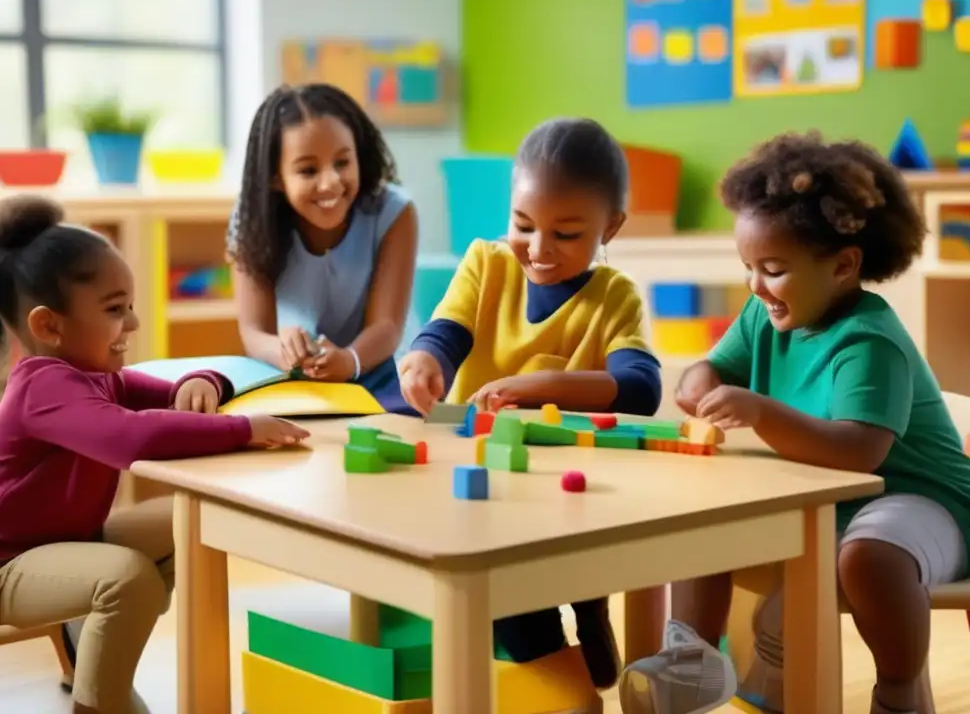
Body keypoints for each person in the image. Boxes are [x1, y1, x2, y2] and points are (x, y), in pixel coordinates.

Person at [620, 133, 970, 714]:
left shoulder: (869, 341)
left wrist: (762, 412)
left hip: (923, 502)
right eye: (748, 267)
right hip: (829, 508)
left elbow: (860, 451)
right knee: (700, 521)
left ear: (845, 266)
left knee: (868, 555)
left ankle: (899, 690)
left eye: (772, 269)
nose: (755, 286)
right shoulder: (763, 315)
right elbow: (714, 366)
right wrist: (698, 383)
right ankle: (690, 662)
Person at [0, 195, 308, 714]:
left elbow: (166, 388)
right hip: (10, 565)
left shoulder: (96, 377)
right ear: (50, 327)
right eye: (116, 310)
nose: (134, 323)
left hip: (64, 542)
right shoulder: (42, 387)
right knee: (128, 579)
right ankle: (97, 702)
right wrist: (239, 430)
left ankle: (96, 639)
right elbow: (130, 438)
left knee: (197, 519)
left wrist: (200, 381)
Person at [398, 117, 662, 689]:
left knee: (557, 561)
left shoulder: (613, 296)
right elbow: (448, 332)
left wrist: (535, 386)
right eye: (523, 225)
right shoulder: (487, 263)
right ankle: (555, 662)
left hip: (569, 485)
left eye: (566, 234)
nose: (539, 250)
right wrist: (425, 361)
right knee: (507, 588)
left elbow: (642, 388)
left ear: (609, 226)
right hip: (484, 475)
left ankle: (588, 606)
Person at [228, 83, 418, 414]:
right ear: (275, 177)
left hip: (384, 371)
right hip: (295, 377)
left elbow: (386, 326)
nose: (330, 183)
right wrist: (285, 352)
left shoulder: (395, 213)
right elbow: (253, 332)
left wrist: (350, 361)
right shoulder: (252, 222)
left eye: (342, 163)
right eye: (308, 170)